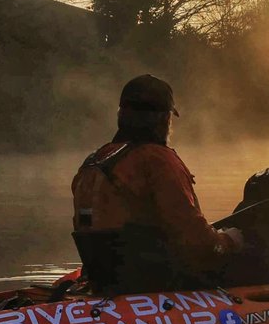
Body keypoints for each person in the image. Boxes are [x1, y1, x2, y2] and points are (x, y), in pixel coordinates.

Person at [71, 74, 243, 294]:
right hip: (156, 284)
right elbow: (198, 245)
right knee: (259, 247)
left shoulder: (92, 162)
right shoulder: (157, 160)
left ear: (121, 116)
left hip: (104, 281)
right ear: (164, 119)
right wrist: (228, 241)